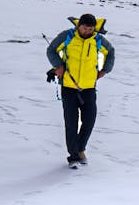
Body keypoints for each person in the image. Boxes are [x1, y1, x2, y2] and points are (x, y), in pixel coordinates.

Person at [46, 14, 115, 168]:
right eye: (85, 28)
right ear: (79, 26)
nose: (87, 31)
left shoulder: (97, 39)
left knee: (90, 120)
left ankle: (80, 148)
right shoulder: (67, 36)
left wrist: (105, 71)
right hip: (69, 87)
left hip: (89, 87)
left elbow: (110, 52)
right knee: (71, 123)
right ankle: (74, 156)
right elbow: (51, 50)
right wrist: (59, 66)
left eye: (90, 29)